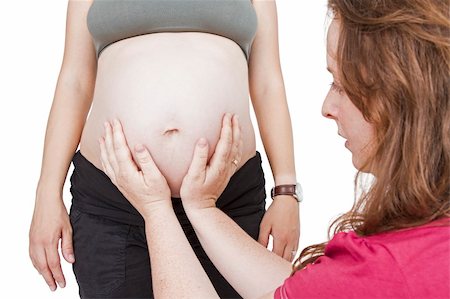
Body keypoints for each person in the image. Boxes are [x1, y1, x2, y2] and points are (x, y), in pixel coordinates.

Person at [98, 0, 450, 298]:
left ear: (399, 99)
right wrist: (201, 209)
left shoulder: (384, 267)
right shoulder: (428, 243)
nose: (326, 107)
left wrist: (157, 212)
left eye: (341, 85)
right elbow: (298, 289)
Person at [28, 0, 299, 298]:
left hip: (228, 199)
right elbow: (74, 82)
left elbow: (268, 83)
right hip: (115, 203)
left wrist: (286, 189)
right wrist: (46, 194)